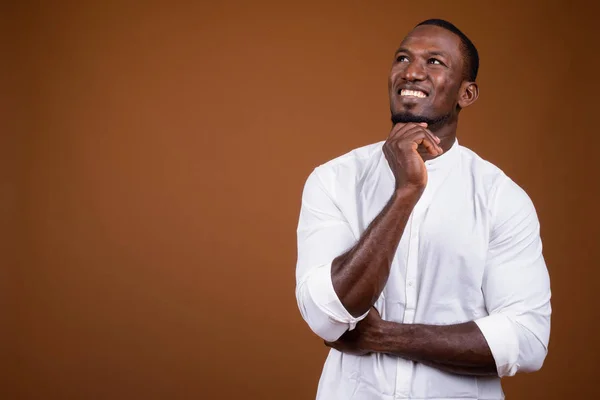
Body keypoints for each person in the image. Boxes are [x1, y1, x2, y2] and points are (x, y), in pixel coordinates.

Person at [294, 19, 551, 400]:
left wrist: (384, 336)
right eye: (403, 58)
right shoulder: (333, 180)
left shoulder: (501, 198)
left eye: (434, 62)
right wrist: (406, 192)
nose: (412, 71)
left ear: (467, 93)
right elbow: (327, 314)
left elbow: (527, 340)